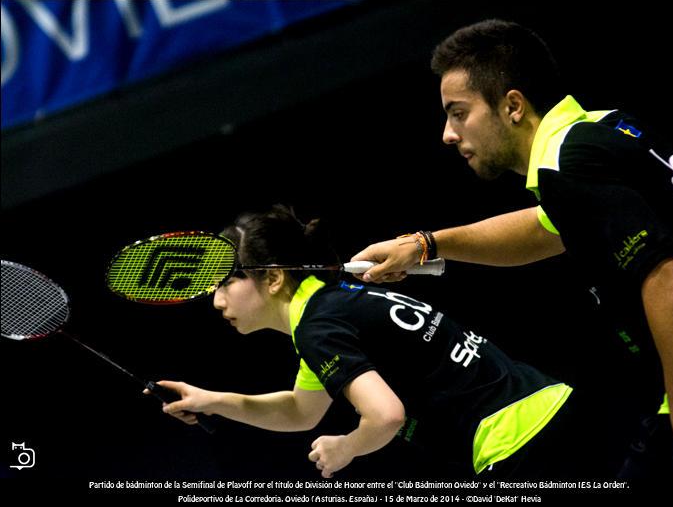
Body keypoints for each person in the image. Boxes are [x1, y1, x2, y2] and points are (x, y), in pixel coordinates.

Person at [350, 19, 673, 478]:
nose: (447, 133)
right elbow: (545, 230)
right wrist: (425, 245)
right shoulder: (602, 129)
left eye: (459, 112)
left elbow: (669, 277)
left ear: (513, 106)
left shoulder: (568, 167)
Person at [151, 205, 577, 478]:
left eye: (227, 281)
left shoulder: (318, 327)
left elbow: (386, 416)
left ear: (274, 277)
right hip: (554, 406)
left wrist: (346, 448)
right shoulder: (331, 303)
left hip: (519, 445)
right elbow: (302, 410)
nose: (215, 298)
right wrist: (212, 400)